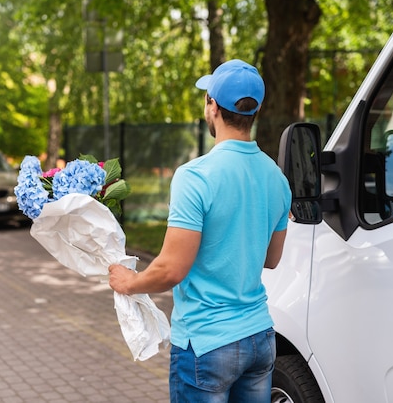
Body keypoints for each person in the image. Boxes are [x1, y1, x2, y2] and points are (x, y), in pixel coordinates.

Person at [109, 59, 292, 402]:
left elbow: (171, 270)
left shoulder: (195, 176)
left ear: (212, 105)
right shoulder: (277, 178)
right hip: (259, 338)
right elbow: (272, 258)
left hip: (207, 344)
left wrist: (129, 282)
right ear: (256, 109)